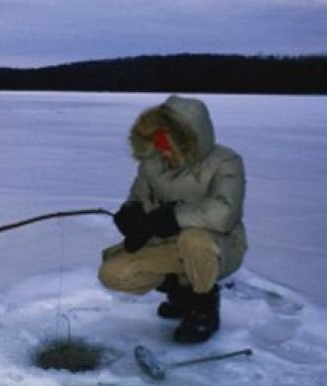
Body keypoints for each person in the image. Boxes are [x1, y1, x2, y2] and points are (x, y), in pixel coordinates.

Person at [98, 95, 247, 344]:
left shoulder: (226, 162)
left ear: (187, 141)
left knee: (194, 239)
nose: (161, 152)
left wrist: (174, 216)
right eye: (158, 144)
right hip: (167, 244)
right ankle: (181, 291)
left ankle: (203, 307)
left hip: (219, 246)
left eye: (167, 145)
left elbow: (225, 212)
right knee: (113, 273)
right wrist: (131, 214)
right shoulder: (152, 163)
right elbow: (138, 197)